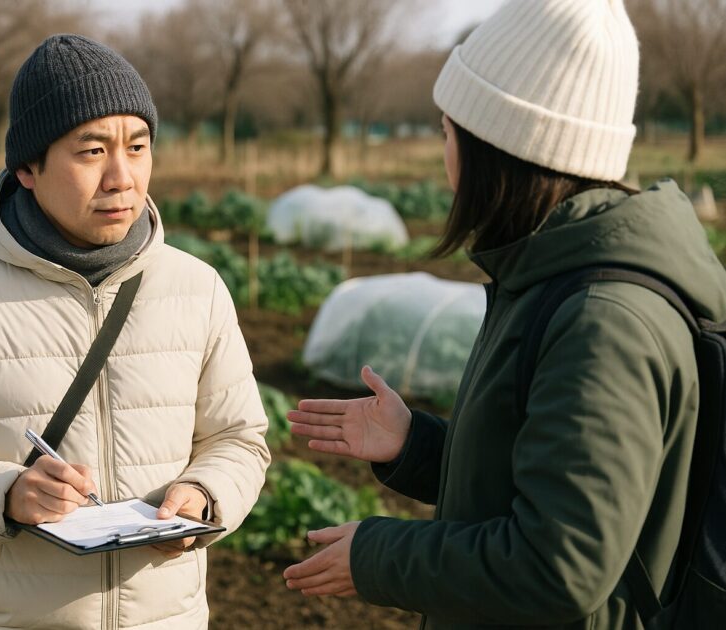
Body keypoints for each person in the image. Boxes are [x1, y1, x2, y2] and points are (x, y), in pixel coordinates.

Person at [283, 0, 726, 628]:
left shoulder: (604, 320)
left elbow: (559, 564)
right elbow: (545, 483)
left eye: (447, 132)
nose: (444, 158)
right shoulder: (552, 277)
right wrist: (416, 444)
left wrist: (378, 556)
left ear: (500, 148)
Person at [0, 34, 270, 629]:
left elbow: (240, 439)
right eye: (91, 151)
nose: (122, 178)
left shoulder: (197, 288)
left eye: (138, 146)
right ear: (27, 167)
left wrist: (206, 495)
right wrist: (4, 495)